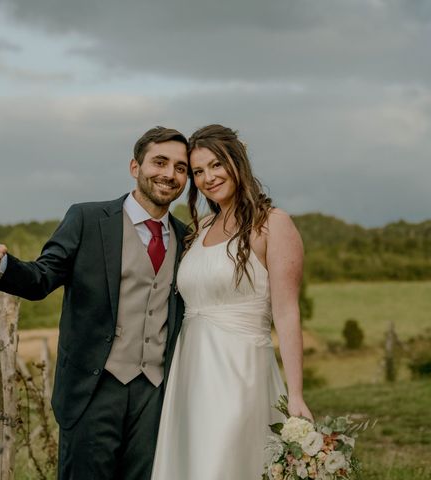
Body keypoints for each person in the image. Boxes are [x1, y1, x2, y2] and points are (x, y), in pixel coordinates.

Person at [0, 126, 190, 480]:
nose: (169, 174)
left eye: (180, 168)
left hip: (155, 394)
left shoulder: (186, 237)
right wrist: (0, 263)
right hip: (94, 389)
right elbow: (41, 279)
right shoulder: (86, 219)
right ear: (135, 167)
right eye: (160, 162)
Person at [151, 124, 312, 480]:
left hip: (241, 373)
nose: (207, 178)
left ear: (237, 162)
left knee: (224, 464)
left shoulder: (273, 224)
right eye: (197, 171)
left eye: (216, 165)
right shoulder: (202, 228)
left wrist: (296, 394)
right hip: (189, 375)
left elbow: (287, 313)